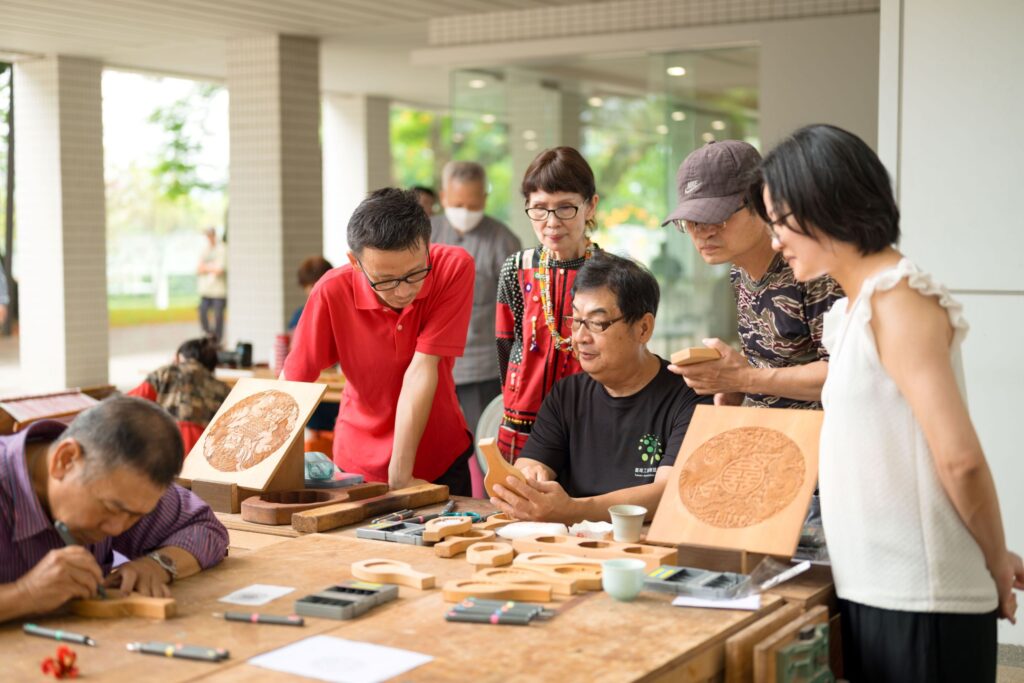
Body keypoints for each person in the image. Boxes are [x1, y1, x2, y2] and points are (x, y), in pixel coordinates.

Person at [753, 124, 1023, 682]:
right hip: (881, 588)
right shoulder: (853, 310)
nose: (776, 240)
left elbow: (961, 459)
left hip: (920, 597)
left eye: (780, 222)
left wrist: (994, 560)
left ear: (823, 204)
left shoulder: (898, 299)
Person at [490, 253, 710, 523]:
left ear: (643, 328)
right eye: (576, 320)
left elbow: (668, 492)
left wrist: (572, 510)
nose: (581, 337)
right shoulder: (566, 394)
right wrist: (532, 479)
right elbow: (533, 463)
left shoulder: (689, 396)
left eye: (597, 322)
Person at [283, 188, 475, 493]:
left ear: (428, 245)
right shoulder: (332, 291)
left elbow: (422, 367)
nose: (402, 291)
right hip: (358, 465)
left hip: (438, 454)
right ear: (355, 262)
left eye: (415, 274)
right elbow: (293, 382)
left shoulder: (453, 268)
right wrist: (274, 470)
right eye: (385, 280)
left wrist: (401, 476)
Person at [0, 397, 229, 623]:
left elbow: (205, 528)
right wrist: (26, 593)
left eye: (135, 516)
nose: (117, 528)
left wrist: (156, 565)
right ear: (65, 460)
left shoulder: (123, 485)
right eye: (110, 507)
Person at [662, 141, 842, 409]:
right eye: (691, 221)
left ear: (760, 203)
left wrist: (744, 379)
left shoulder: (812, 269)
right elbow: (771, 363)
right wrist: (734, 387)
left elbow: (843, 375)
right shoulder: (738, 274)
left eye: (717, 216)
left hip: (816, 440)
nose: (703, 232)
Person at [496, 146, 601, 460]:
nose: (551, 222)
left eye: (566, 207)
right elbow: (505, 343)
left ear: (590, 206)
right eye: (539, 208)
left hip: (591, 417)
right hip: (522, 417)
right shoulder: (516, 267)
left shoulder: (610, 272)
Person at [431, 161, 521, 442]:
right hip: (430, 361)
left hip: (482, 365)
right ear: (443, 196)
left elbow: (516, 309)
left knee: (485, 444)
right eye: (458, 204)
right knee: (437, 444)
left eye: (472, 205)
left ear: (484, 198)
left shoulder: (503, 240)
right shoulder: (426, 233)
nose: (465, 213)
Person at [127, 336, 230, 457]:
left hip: (167, 453)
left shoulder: (166, 373)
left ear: (180, 357)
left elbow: (128, 403)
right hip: (207, 458)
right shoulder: (224, 390)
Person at [287, 255, 339, 452]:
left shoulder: (331, 310)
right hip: (318, 388)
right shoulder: (301, 313)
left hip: (323, 394)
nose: (311, 291)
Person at [197, 226, 227, 344]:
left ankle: (217, 340)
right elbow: (198, 268)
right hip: (206, 290)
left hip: (218, 291)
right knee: (202, 311)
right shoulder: (205, 249)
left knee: (218, 316)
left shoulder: (222, 249)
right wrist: (211, 267)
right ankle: (208, 336)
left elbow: (220, 269)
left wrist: (206, 267)